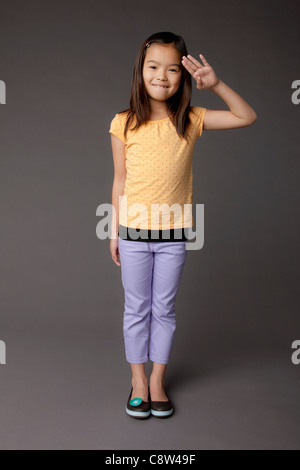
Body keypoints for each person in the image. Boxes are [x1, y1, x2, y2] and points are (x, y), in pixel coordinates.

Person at [109, 31, 257, 419]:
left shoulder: (189, 119)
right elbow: (120, 181)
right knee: (136, 309)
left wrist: (217, 84)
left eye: (173, 69)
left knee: (164, 309)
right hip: (134, 233)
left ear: (184, 76)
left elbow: (247, 116)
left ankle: (158, 380)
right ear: (140, 71)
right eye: (153, 66)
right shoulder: (123, 123)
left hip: (173, 236)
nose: (162, 75)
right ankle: (138, 381)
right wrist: (114, 230)